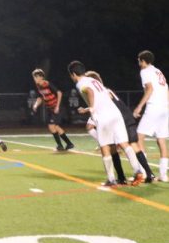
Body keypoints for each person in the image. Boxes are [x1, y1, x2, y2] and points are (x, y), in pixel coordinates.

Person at [68, 61, 143, 187]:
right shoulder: (94, 80)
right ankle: (137, 171)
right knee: (125, 144)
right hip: (115, 113)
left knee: (105, 147)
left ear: (74, 74)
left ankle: (111, 179)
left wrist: (91, 107)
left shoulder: (81, 83)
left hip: (104, 117)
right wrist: (87, 109)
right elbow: (101, 98)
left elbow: (91, 92)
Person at [85, 71, 154, 184]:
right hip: (126, 117)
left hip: (120, 120)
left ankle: (126, 176)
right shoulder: (105, 90)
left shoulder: (102, 93)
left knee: (116, 148)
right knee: (130, 146)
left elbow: (100, 112)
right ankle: (146, 173)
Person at [132, 50, 169, 182]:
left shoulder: (145, 71)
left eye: (138, 60)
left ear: (143, 60)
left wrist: (139, 106)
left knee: (138, 137)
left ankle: (144, 172)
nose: (138, 63)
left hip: (154, 107)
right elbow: (166, 88)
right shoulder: (158, 71)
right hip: (165, 108)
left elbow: (150, 89)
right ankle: (163, 175)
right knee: (161, 140)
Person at [31, 69, 74, 151]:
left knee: (51, 126)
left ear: (41, 77)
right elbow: (40, 97)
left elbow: (59, 93)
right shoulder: (38, 86)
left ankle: (60, 145)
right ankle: (69, 144)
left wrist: (57, 106)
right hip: (50, 108)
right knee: (56, 127)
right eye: (34, 77)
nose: (34, 79)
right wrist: (36, 105)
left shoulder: (47, 84)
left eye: (36, 77)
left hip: (56, 107)